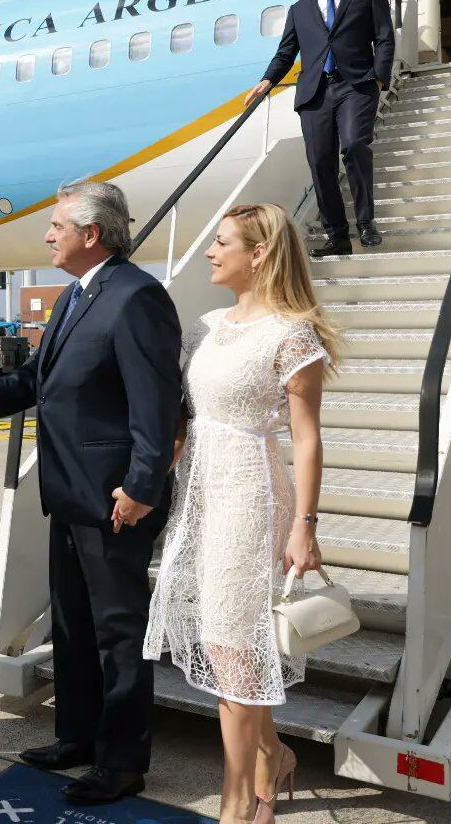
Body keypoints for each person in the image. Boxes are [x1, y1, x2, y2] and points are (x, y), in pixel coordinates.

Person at [0, 180, 181, 805]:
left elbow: (157, 403)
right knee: (72, 623)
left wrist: (142, 486)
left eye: (58, 225)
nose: (48, 235)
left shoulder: (137, 297)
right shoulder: (72, 298)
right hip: (68, 492)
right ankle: (79, 736)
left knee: (118, 632)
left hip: (116, 499)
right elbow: (42, 378)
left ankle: (121, 761)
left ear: (92, 234)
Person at [144, 204, 335, 824]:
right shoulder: (204, 325)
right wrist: (147, 484)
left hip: (254, 495)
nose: (208, 251)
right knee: (238, 647)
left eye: (220, 242)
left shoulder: (292, 333)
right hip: (202, 493)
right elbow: (184, 421)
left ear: (259, 254)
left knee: (229, 646)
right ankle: (273, 755)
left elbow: (306, 438)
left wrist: (306, 527)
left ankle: (236, 804)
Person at [248, 0, 395, 258]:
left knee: (355, 145)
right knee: (319, 162)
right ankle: (337, 234)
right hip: (315, 92)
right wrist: (268, 80)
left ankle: (367, 223)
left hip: (356, 84)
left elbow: (384, 38)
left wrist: (379, 79)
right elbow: (286, 52)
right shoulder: (299, 9)